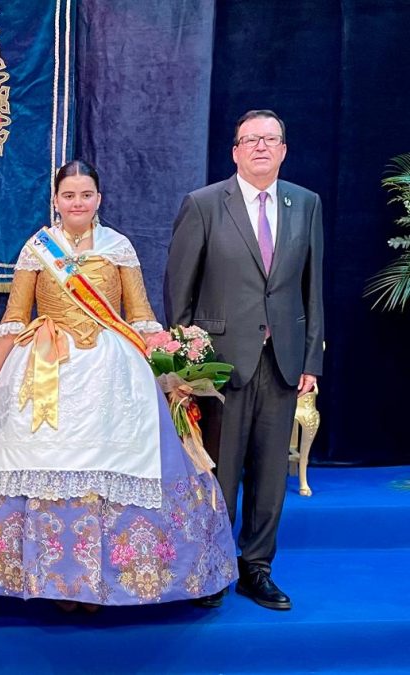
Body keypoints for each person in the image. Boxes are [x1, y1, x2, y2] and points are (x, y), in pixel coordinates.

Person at [0, 160, 237, 609]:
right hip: (44, 364)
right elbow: (13, 318)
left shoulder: (117, 247)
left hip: (111, 367)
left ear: (98, 200)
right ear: (57, 201)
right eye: (69, 195)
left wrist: (169, 373)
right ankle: (50, 576)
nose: (77, 202)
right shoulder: (38, 249)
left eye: (86, 195)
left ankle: (105, 575)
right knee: (44, 459)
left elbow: (140, 315)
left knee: (119, 459)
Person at [166, 110, 324, 610]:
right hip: (220, 364)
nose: (260, 147)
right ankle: (209, 567)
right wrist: (182, 364)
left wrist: (312, 359)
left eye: (270, 139)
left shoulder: (306, 204)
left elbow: (312, 288)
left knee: (271, 474)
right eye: (250, 140)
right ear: (234, 151)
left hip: (284, 360)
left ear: (283, 149)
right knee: (221, 471)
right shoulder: (205, 204)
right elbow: (179, 292)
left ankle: (257, 568)